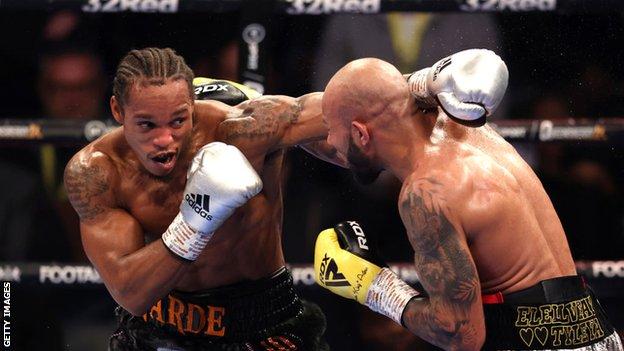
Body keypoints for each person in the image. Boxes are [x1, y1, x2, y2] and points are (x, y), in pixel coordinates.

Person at [64, 47, 504, 350]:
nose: (166, 140)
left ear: (193, 108)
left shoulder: (239, 130)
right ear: (118, 113)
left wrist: (427, 81)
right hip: (161, 324)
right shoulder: (96, 174)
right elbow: (130, 292)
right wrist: (195, 219)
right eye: (147, 125)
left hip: (262, 320)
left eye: (178, 121)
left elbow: (335, 104)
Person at [313, 51, 624, 350]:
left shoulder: (425, 192)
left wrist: (372, 286)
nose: (328, 143)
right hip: (598, 331)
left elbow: (461, 335)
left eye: (330, 130)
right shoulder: (465, 125)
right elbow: (386, 97)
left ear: (360, 134)